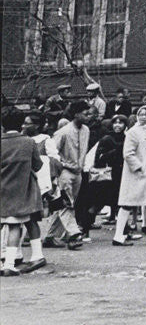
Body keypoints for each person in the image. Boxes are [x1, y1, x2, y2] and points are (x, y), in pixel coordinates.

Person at [1, 107, 46, 276]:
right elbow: (38, 165)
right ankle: (10, 264)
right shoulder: (29, 142)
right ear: (21, 123)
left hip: (1, 190)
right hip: (23, 190)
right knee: (15, 226)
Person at [111, 105, 146, 246]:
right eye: (141, 114)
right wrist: (139, 167)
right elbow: (127, 153)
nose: (144, 117)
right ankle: (118, 236)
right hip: (135, 173)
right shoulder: (132, 132)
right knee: (127, 204)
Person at [44, 100, 91, 250]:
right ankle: (74, 234)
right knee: (66, 204)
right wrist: (57, 171)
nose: (88, 116)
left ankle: (50, 237)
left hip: (78, 173)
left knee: (62, 205)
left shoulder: (86, 130)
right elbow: (52, 152)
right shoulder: (63, 132)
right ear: (76, 114)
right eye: (85, 113)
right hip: (64, 172)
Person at [89, 115, 127, 235]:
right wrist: (115, 152)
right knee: (99, 202)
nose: (117, 125)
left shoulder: (126, 138)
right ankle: (86, 226)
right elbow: (99, 158)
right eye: (115, 122)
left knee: (121, 202)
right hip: (108, 174)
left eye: (121, 123)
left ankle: (123, 230)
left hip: (121, 173)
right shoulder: (107, 139)